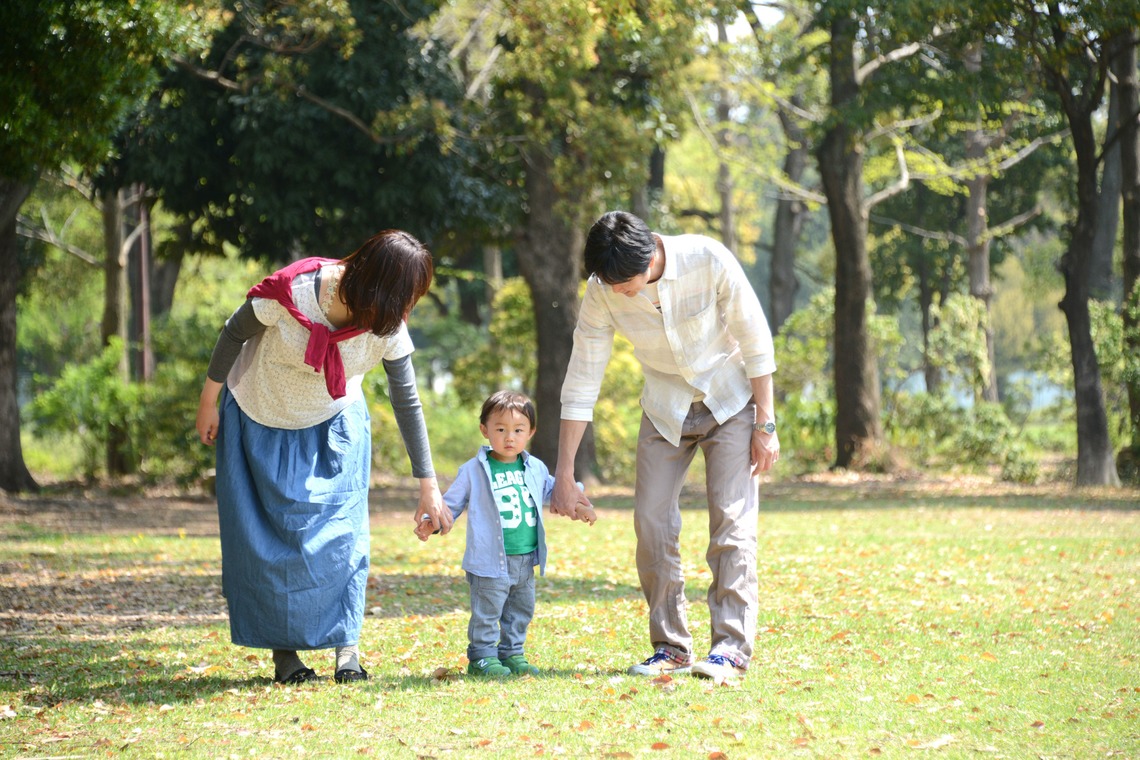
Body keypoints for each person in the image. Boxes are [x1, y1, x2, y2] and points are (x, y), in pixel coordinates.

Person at [195, 229, 453, 685]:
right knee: (267, 544)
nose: (405, 309)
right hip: (261, 415)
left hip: (334, 424)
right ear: (370, 281)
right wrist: (207, 401)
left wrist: (428, 484)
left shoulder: (388, 322)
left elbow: (407, 399)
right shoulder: (291, 294)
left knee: (343, 540)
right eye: (401, 296)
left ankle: (347, 650)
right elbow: (234, 333)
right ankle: (285, 656)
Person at [550, 210, 779, 683]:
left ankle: (730, 651)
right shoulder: (603, 289)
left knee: (732, 524)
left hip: (730, 400)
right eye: (608, 284)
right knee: (651, 523)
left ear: (649, 258)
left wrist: (766, 424)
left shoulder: (707, 259)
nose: (616, 293)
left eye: (623, 285)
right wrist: (565, 472)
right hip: (664, 407)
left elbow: (755, 339)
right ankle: (671, 647)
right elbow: (582, 378)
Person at [416, 390, 595, 677]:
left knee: (520, 610)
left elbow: (557, 493)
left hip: (525, 558)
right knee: (488, 611)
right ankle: (482, 657)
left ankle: (512, 653)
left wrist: (580, 506)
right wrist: (432, 522)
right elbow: (450, 504)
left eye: (518, 430)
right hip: (488, 559)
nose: (509, 437)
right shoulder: (473, 470)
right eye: (500, 429)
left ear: (531, 432)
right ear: (484, 430)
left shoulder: (535, 468)